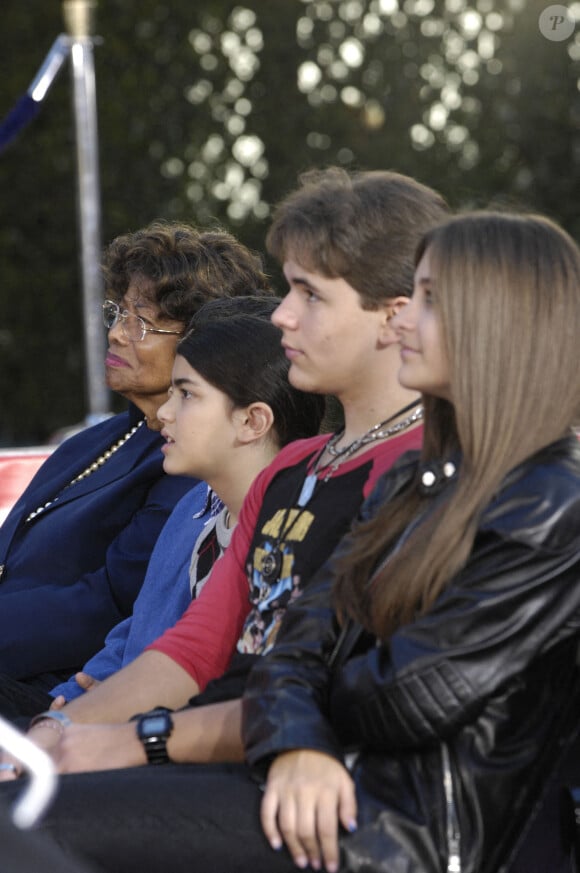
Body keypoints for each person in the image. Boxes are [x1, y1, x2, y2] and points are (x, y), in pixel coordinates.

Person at [19, 210, 580, 873]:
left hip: (402, 832)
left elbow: (406, 693)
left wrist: (161, 736)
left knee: (30, 828)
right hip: (323, 788)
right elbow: (298, 646)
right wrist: (293, 724)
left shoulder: (548, 498)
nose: (404, 319)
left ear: (496, 322)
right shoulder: (420, 476)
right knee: (25, 815)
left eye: (429, 300)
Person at [1, 167, 447, 773]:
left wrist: (126, 739)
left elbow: (348, 690)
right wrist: (60, 729)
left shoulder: (434, 477)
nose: (283, 315)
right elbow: (194, 646)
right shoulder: (295, 468)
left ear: (394, 316)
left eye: (309, 294)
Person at [10, 296, 323, 720]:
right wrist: (65, 707)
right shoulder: (194, 507)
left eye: (187, 395)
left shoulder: (292, 529)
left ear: (253, 421)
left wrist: (100, 715)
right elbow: (134, 630)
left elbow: (229, 692)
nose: (167, 412)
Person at [0, 220, 271, 698]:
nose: (118, 335)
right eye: (118, 313)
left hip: (59, 685)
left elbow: (111, 605)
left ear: (205, 340)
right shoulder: (99, 439)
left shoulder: (192, 465)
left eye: (140, 321)